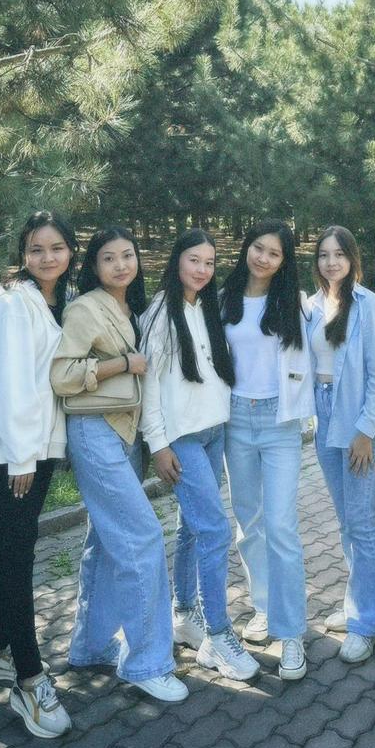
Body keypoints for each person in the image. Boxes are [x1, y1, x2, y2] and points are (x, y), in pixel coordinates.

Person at [51, 226, 188, 703]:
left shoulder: (134, 308)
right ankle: (147, 662)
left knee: (106, 542)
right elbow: (62, 375)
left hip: (125, 434)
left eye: (127, 255)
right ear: (93, 266)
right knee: (142, 537)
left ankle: (90, 645)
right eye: (108, 258)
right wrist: (122, 365)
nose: (120, 265)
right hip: (95, 433)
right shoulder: (85, 308)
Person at [0, 212, 74, 739]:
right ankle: (29, 679)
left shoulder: (59, 300)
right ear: (22, 254)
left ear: (70, 251)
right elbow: (8, 381)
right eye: (36, 249)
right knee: (18, 557)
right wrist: (22, 458)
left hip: (33, 450)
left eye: (56, 248)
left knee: (14, 549)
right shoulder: (13, 302)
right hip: (7, 455)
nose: (47, 257)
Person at [140, 229, 259, 682]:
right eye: (194, 260)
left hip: (213, 432)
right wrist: (158, 445)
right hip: (182, 439)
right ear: (177, 261)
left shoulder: (206, 307)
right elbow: (149, 388)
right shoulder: (159, 315)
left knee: (192, 526)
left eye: (210, 262)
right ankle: (218, 636)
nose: (203, 270)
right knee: (214, 531)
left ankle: (184, 611)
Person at [221, 219, 313, 680]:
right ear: (246, 248)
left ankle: (292, 632)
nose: (263, 258)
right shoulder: (224, 300)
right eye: (258, 248)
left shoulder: (295, 304)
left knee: (280, 526)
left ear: (283, 262)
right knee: (249, 524)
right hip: (235, 419)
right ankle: (264, 607)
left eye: (274, 253)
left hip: (280, 423)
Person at [305, 226, 375, 663]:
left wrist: (365, 431)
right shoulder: (312, 306)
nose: (331, 262)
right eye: (324, 255)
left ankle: (365, 622)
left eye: (339, 254)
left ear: (353, 258)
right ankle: (363, 602)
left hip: (360, 421)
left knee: (360, 521)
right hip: (324, 418)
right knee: (346, 521)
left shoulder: (369, 305)